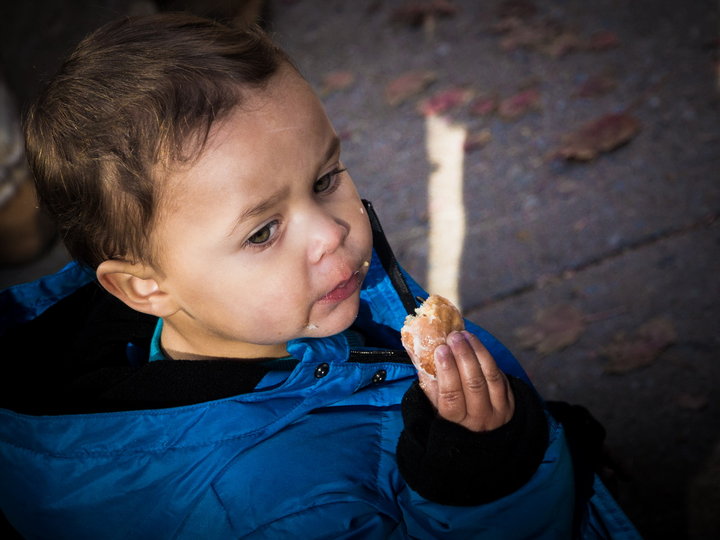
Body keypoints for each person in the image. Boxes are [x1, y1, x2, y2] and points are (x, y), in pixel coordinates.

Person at [0, 13, 639, 539]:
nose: (331, 232)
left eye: (325, 180)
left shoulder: (276, 299)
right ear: (146, 288)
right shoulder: (270, 510)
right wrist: (483, 473)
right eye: (262, 231)